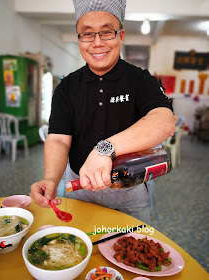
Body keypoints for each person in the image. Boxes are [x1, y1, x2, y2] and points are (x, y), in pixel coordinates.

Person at [30, 0, 175, 224]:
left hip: (129, 190)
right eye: (87, 34)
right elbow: (58, 139)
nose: (97, 43)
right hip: (80, 189)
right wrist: (50, 179)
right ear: (79, 38)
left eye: (107, 32)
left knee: (130, 256)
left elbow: (164, 121)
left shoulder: (140, 80)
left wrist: (105, 150)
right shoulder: (67, 87)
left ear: (121, 36)